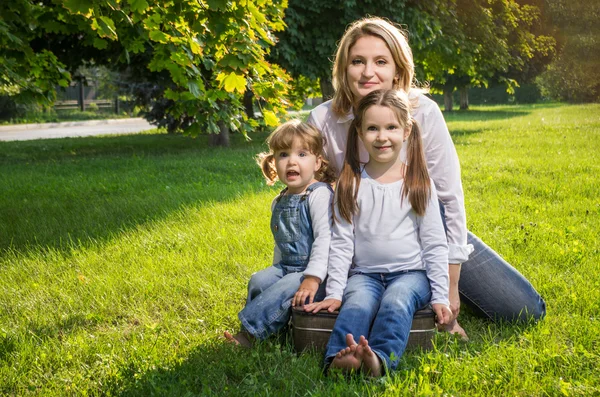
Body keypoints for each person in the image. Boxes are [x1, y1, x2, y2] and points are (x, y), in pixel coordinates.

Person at [306, 17, 545, 339]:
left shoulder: (424, 113)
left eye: (380, 61)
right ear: (343, 68)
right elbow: (309, 195)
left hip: (426, 227)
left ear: (398, 70)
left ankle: (432, 293)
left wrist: (450, 284)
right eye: (357, 61)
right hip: (361, 240)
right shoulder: (323, 119)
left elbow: (448, 198)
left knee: (523, 310)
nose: (368, 72)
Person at [305, 89, 451, 376]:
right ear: (359, 132)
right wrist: (335, 292)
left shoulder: (419, 183)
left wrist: (441, 296)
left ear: (406, 130)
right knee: (357, 303)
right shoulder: (351, 183)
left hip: (411, 275)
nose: (382, 136)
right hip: (365, 275)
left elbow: (434, 244)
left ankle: (379, 360)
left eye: (391, 127)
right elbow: (342, 243)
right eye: (372, 128)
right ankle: (338, 357)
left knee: (396, 301)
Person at [224, 119, 335, 346]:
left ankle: (250, 336)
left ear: (317, 163)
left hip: (318, 273)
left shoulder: (319, 195)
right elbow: (281, 243)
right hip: (286, 266)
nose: (292, 161)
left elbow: (326, 240)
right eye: (284, 154)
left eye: (302, 154)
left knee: (286, 286)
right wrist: (276, 270)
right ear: (274, 162)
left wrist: (312, 278)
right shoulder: (279, 200)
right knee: (260, 280)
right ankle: (272, 328)